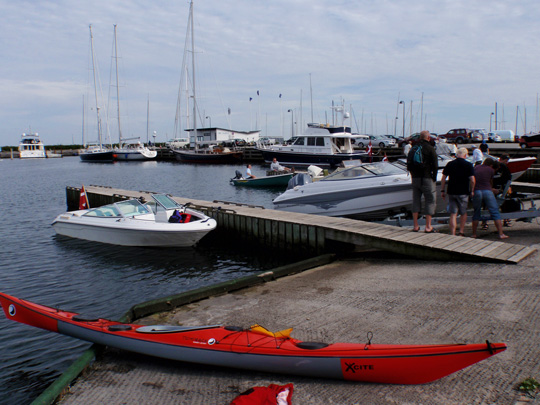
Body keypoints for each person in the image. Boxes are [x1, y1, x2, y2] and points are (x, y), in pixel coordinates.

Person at [407, 130, 438, 233]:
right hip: (427, 178)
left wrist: (413, 176)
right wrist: (434, 177)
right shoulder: (430, 148)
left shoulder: (413, 148)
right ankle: (428, 227)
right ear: (428, 138)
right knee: (430, 200)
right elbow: (435, 165)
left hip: (415, 178)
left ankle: (415, 226)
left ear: (420, 138)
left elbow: (408, 165)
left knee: (416, 200)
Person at [440, 147, 475, 236]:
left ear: (457, 155)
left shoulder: (450, 164)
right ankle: (461, 231)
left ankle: (452, 233)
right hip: (463, 192)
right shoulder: (468, 165)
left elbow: (443, 178)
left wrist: (442, 190)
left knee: (453, 213)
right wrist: (472, 190)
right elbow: (472, 180)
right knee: (463, 213)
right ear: (465, 155)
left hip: (451, 191)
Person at [471, 158, 508, 239]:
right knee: (495, 212)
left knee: (476, 212)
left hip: (477, 191)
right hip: (487, 191)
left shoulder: (476, 167)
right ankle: (501, 234)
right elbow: (490, 182)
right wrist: (493, 189)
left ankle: (474, 234)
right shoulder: (491, 170)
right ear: (491, 165)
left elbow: (472, 180)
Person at [493, 154, 513, 227]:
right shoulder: (503, 167)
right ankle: (506, 220)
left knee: (489, 204)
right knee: (504, 203)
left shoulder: (496, 166)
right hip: (499, 188)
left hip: (496, 188)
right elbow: (509, 178)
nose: (506, 162)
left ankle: (485, 223)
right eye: (506, 161)